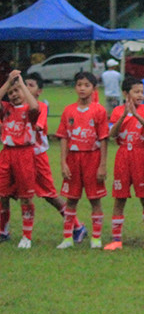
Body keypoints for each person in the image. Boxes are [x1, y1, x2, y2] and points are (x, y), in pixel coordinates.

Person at [19, 73, 87, 244]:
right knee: (6, 193)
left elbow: (38, 126)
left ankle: (77, 226)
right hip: (18, 157)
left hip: (36, 157)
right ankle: (4, 231)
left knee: (49, 195)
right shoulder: (16, 106)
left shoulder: (39, 106)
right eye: (24, 84)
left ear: (39, 91)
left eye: (31, 85)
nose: (27, 88)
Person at [56, 71, 109, 249]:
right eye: (79, 85)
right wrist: (63, 162)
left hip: (92, 158)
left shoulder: (99, 110)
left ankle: (96, 238)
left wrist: (102, 165)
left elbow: (103, 139)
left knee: (95, 199)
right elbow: (63, 137)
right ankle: (67, 238)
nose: (82, 88)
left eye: (87, 85)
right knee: (71, 199)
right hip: (73, 159)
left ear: (94, 89)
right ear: (75, 87)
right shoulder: (68, 110)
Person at [106, 77, 144, 250]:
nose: (140, 95)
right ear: (125, 93)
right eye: (136, 92)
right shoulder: (117, 111)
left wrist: (136, 115)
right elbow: (112, 134)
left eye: (142, 92)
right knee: (119, 198)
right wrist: (123, 116)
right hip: (123, 156)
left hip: (141, 154)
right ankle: (116, 240)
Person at [0, 71, 40, 248]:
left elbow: (34, 107)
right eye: (11, 92)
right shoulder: (6, 109)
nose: (14, 94)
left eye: (18, 91)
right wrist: (8, 82)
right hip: (7, 153)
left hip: (24, 154)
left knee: (26, 197)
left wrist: (21, 84)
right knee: (2, 194)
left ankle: (27, 235)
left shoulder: (29, 110)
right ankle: (3, 230)